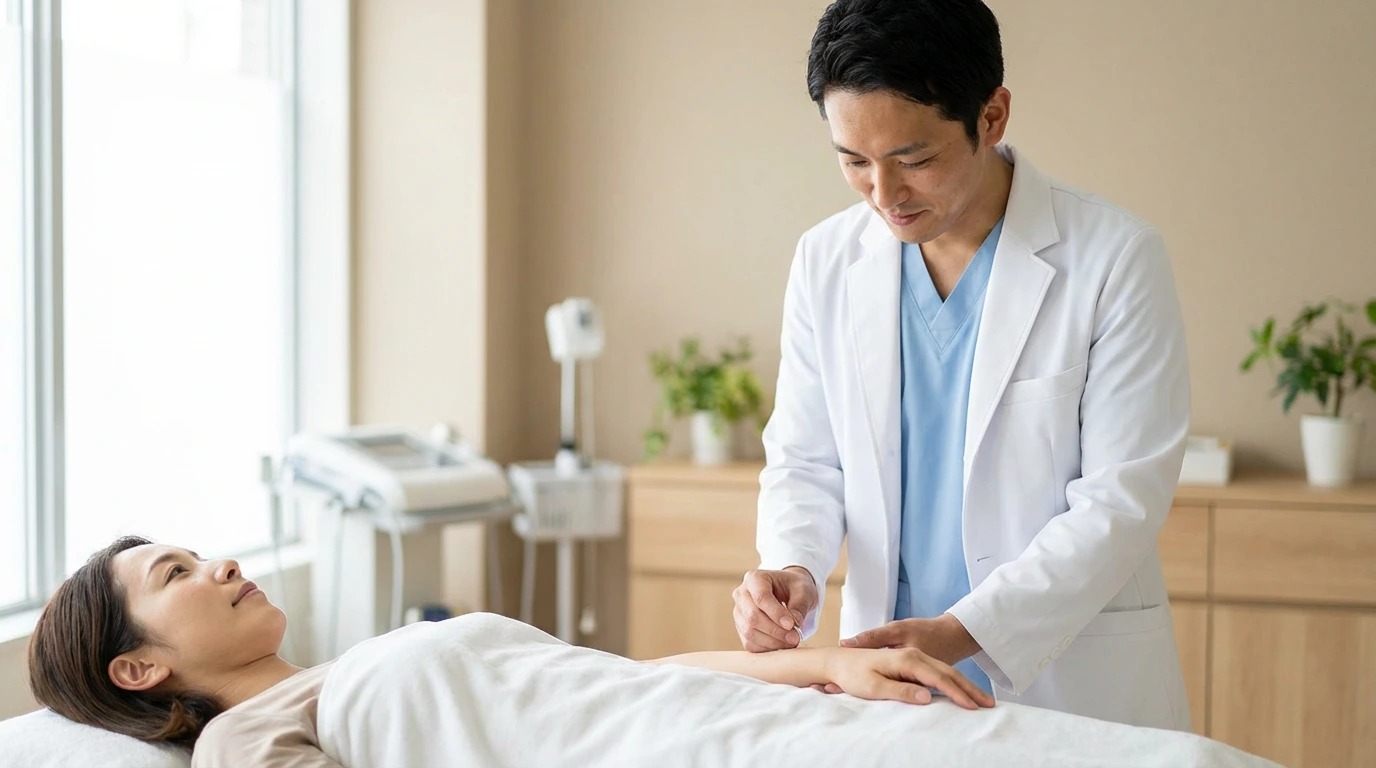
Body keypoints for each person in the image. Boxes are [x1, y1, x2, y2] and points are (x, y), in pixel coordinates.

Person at [732, 0, 1192, 730]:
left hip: (1068, 684)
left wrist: (963, 631)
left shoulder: (1113, 259)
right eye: (853, 162)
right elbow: (805, 459)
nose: (884, 196)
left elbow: (1120, 503)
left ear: (992, 116)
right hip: (888, 677)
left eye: (913, 160)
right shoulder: (826, 260)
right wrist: (792, 569)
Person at [27, 536, 991, 767]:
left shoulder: (352, 672)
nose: (222, 562)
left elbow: (622, 688)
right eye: (177, 574)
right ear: (139, 668)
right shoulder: (245, 739)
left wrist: (825, 667)